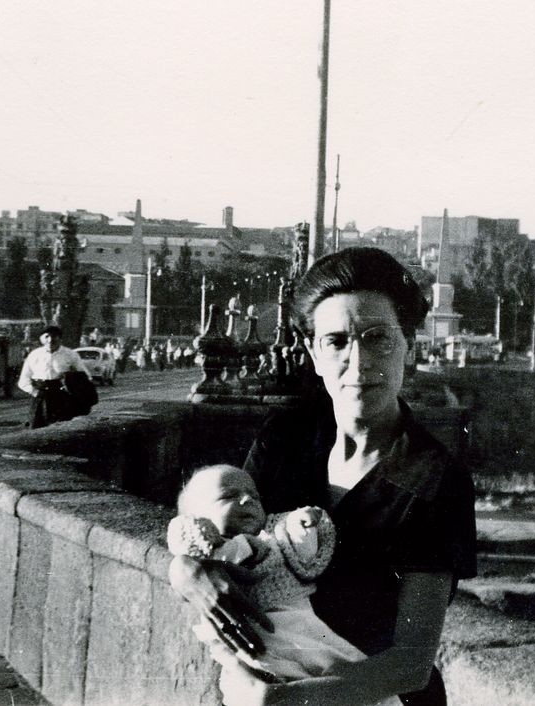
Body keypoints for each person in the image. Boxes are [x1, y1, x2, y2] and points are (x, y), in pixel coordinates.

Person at [169, 247, 477, 705]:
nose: (358, 362)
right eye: (336, 341)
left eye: (378, 338)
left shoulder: (434, 479)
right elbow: (221, 535)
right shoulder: (285, 439)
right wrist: (184, 569)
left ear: (409, 345)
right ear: (314, 352)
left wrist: (284, 703)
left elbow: (411, 663)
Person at [168, 464, 384, 686]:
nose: (247, 500)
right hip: (244, 637)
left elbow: (301, 550)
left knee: (329, 660)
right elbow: (186, 548)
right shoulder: (210, 554)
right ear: (197, 519)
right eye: (228, 496)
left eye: (254, 495)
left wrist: (303, 527)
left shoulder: (274, 537)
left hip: (294, 620)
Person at [17, 325, 88, 428]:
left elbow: (84, 376)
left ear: (60, 338)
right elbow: (23, 380)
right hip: (40, 397)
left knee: (62, 429)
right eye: (46, 337)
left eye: (54, 336)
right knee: (37, 430)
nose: (50, 340)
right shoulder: (34, 355)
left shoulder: (70, 354)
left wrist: (73, 387)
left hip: (62, 398)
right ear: (41, 339)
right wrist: (34, 392)